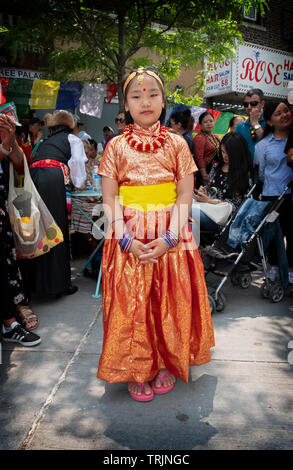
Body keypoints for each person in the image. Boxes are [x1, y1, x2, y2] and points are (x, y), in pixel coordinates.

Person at [97, 66, 214, 402]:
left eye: (152, 94)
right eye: (136, 95)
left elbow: (185, 195)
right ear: (126, 103)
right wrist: (126, 240)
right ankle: (137, 368)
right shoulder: (115, 146)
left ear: (163, 101)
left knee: (169, 301)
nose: (145, 101)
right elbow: (109, 199)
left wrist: (169, 239)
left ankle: (165, 362)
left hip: (171, 236)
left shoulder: (178, 144)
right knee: (134, 306)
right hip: (129, 236)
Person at [27, 110, 87, 297]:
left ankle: (33, 284)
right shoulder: (72, 139)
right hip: (52, 179)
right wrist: (78, 183)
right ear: (69, 126)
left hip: (33, 178)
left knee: (37, 229)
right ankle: (58, 285)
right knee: (56, 229)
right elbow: (77, 163)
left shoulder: (42, 143)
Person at [0, 114, 41, 345]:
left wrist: (10, 142)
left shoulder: (10, 143)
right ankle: (10, 320)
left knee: (8, 261)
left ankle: (14, 313)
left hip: (4, 212)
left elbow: (19, 171)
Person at [254, 100, 293, 283]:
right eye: (278, 113)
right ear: (269, 121)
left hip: (291, 195)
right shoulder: (263, 146)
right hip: (272, 196)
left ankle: (291, 270)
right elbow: (261, 172)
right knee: (273, 234)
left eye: (286, 110)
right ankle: (275, 267)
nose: (284, 115)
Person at [192, 131, 251, 234]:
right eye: (223, 152)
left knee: (187, 212)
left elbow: (236, 207)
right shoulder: (217, 166)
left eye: (228, 153)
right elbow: (210, 188)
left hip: (221, 219)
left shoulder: (244, 174)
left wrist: (208, 201)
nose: (225, 156)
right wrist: (204, 191)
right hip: (208, 208)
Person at [234, 88, 266, 162]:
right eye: (246, 104)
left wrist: (255, 123)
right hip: (246, 171)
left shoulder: (271, 122)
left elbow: (267, 143)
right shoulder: (240, 127)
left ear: (262, 104)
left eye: (253, 103)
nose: (249, 107)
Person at [193, 111, 221, 187]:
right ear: (201, 125)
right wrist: (204, 175)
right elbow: (199, 158)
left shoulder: (215, 137)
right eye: (205, 122)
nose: (209, 124)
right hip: (204, 172)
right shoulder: (199, 138)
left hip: (214, 171)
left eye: (211, 121)